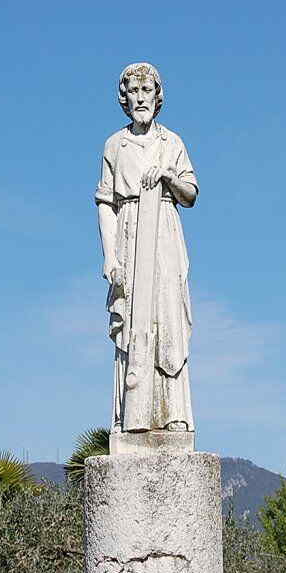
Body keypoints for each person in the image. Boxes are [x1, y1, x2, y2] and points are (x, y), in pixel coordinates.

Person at [95, 62, 199, 433]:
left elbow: (191, 194)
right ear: (126, 99)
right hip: (129, 231)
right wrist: (110, 256)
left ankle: (174, 412)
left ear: (157, 97)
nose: (141, 98)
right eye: (134, 92)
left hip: (165, 237)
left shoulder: (172, 143)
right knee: (132, 320)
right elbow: (106, 203)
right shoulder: (115, 145)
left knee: (167, 316)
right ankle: (129, 414)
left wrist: (169, 176)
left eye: (147, 91)